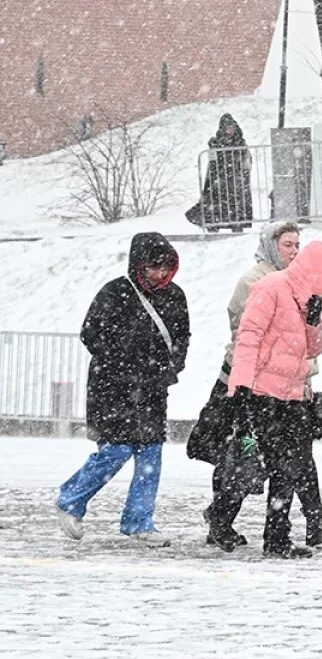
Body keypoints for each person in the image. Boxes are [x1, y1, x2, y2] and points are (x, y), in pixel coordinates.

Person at [187, 222, 322, 552]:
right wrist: (241, 387)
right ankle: (223, 518)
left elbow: (313, 349)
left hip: (290, 396)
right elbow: (248, 338)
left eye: (297, 245)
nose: (293, 250)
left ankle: (277, 538)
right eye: (287, 244)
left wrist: (313, 320)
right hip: (260, 396)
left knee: (288, 467)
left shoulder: (304, 297)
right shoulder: (269, 286)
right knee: (249, 460)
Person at [55, 232, 190, 547]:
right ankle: (70, 500)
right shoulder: (115, 292)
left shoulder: (175, 296)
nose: (160, 273)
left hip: (153, 388)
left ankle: (139, 522)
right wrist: (123, 366)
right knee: (116, 450)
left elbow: (182, 337)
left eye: (165, 267)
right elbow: (90, 333)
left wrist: (171, 368)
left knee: (150, 454)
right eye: (154, 266)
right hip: (112, 388)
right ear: (139, 264)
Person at [186, 113, 252, 232]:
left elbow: (246, 160)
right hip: (220, 177)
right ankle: (213, 226)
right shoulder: (217, 142)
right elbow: (213, 162)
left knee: (235, 206)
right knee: (215, 205)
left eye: (231, 127)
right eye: (227, 127)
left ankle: (236, 226)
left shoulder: (240, 142)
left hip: (235, 179)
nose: (230, 130)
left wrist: (241, 174)